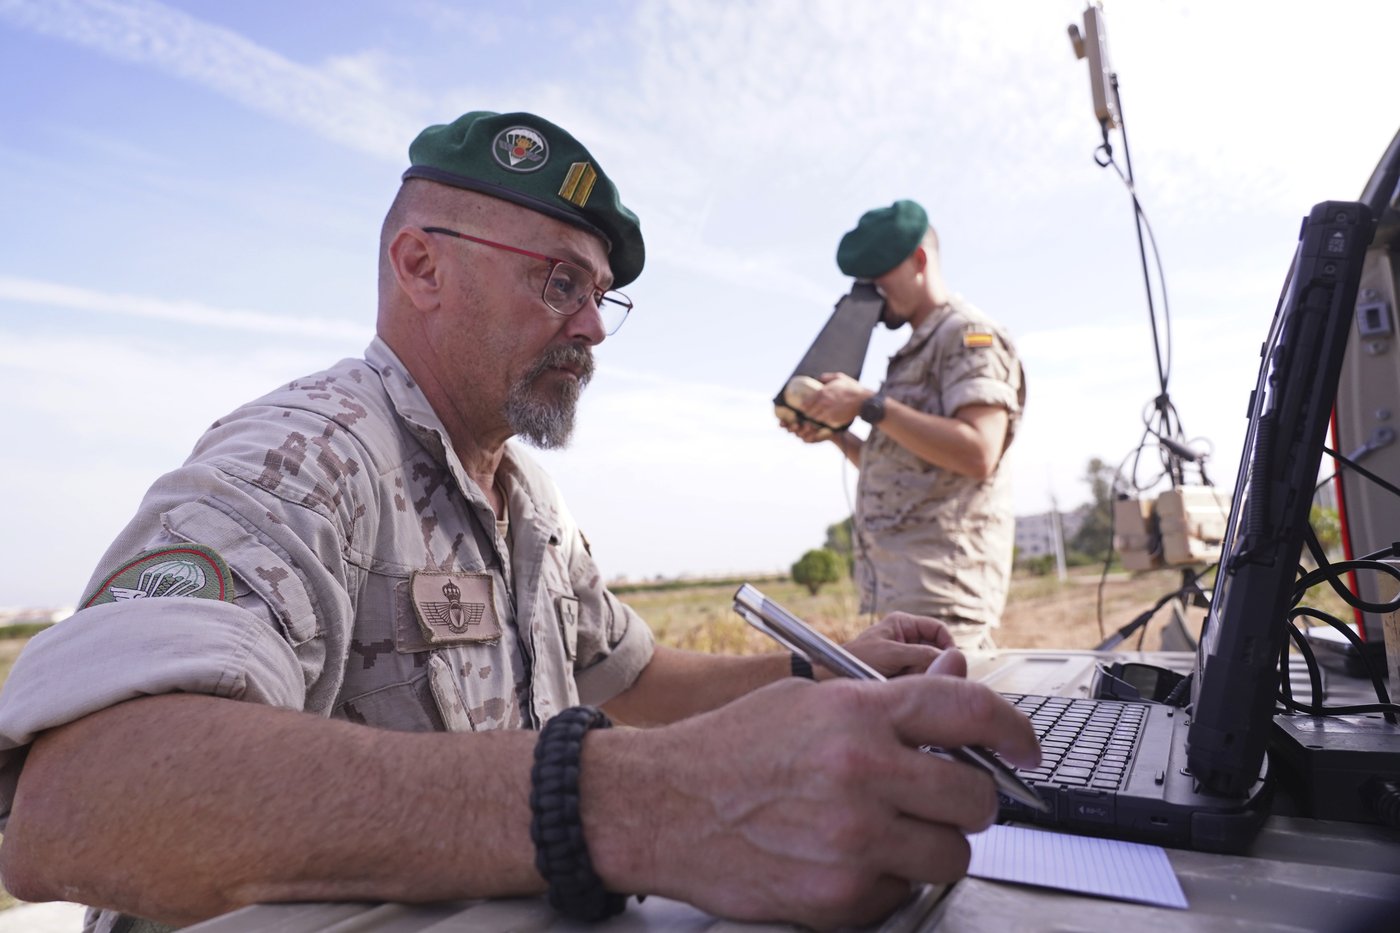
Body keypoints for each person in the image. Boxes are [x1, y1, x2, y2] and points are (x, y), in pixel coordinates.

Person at [0, 113, 1038, 933]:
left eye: (598, 297)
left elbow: (631, 681)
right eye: (557, 282)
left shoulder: (523, 499)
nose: (590, 325)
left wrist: (828, 673)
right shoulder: (307, 455)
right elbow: (79, 800)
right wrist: (638, 806)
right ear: (421, 267)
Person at [782, 200, 1026, 651]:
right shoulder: (915, 350)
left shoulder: (969, 335)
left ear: (918, 260)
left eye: (879, 277)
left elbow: (978, 453)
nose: (871, 293)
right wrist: (834, 432)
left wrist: (869, 404)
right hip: (901, 593)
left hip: (944, 596)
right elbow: (905, 470)